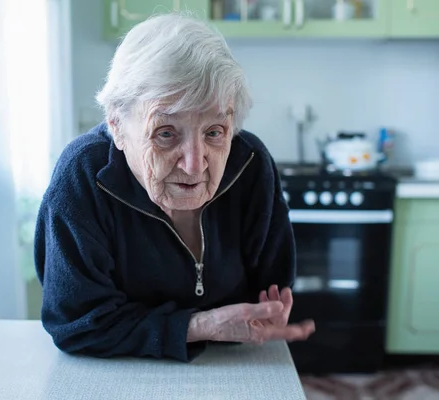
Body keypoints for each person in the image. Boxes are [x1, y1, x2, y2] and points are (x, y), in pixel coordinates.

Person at [34, 13, 315, 362]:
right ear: (116, 125)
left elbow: (267, 292)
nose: (195, 165)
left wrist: (265, 314)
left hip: (230, 363)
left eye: (214, 132)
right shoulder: (82, 176)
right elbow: (77, 323)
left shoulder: (251, 164)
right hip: (116, 372)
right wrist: (198, 325)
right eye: (166, 133)